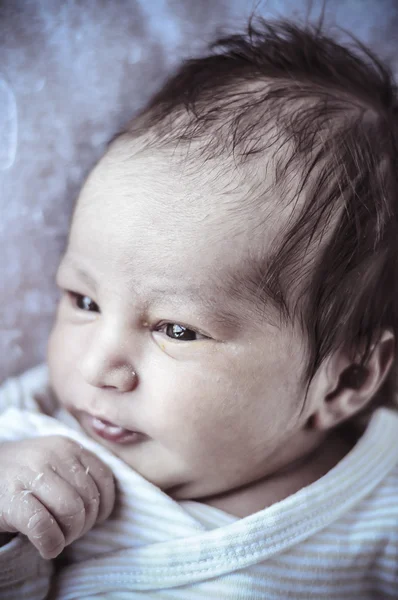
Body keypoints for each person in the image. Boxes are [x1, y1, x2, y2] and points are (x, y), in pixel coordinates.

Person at [0, 17, 397, 599]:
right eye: (84, 301)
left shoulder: (380, 501)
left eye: (177, 330)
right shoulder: (32, 428)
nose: (97, 367)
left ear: (347, 380)